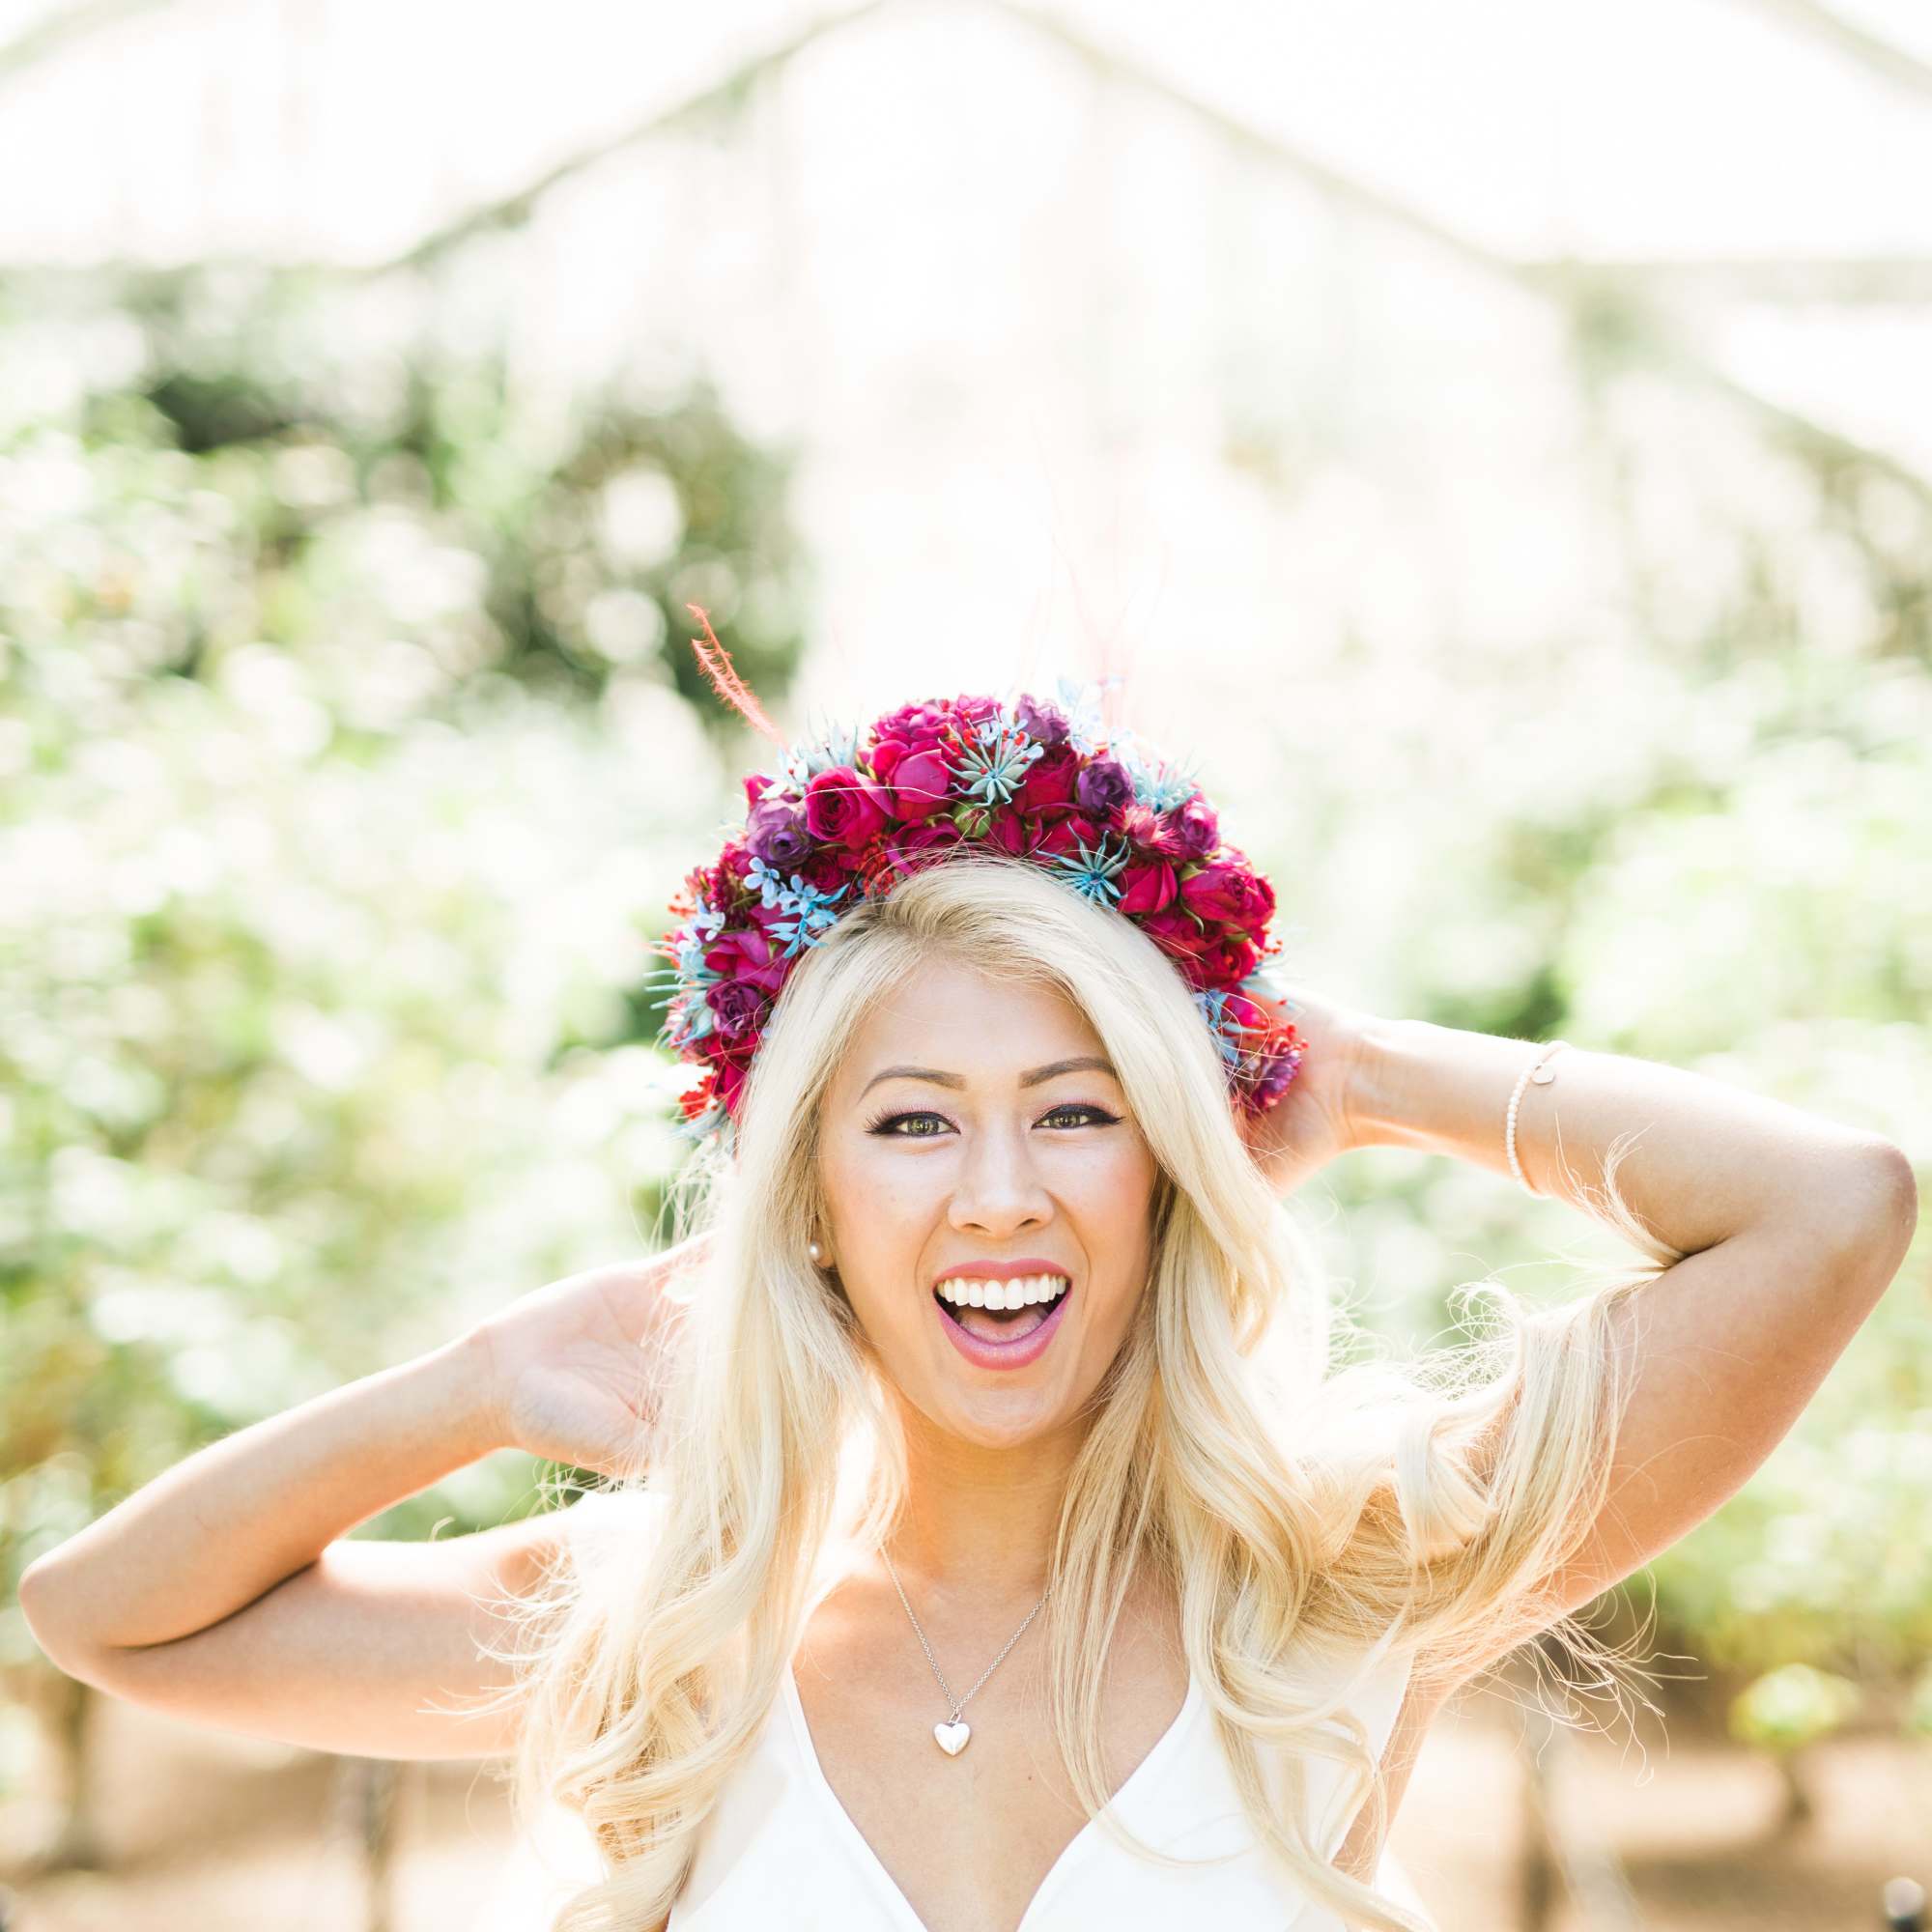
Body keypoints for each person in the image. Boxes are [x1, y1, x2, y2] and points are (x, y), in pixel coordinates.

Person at [19, 673, 1917, 1932]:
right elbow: (108, 1615)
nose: (999, 1190)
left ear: (1171, 1170)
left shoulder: (1350, 1573)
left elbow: (1830, 1208)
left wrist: (1349, 1068)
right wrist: (484, 1380)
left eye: (1077, 1112)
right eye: (912, 1121)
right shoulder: (673, 1613)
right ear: (819, 1206)